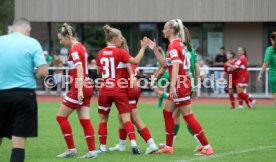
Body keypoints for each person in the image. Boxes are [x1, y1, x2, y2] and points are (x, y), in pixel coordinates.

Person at [148, 19, 214, 155]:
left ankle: (207, 146)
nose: (163, 30)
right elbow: (165, 65)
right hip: (182, 83)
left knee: (188, 116)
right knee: (167, 112)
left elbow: (176, 66)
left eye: (165, 28)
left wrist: (172, 86)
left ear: (172, 30)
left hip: (180, 84)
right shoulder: (176, 45)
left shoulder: (174, 45)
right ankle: (168, 146)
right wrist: (155, 49)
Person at [0, 18, 48, 162]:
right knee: (19, 137)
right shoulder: (32, 42)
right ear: (28, 30)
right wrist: (34, 75)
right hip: (24, 94)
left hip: (1, 93)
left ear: (13, 28)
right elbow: (43, 72)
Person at [96, 25, 147, 155]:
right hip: (118, 89)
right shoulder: (120, 52)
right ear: (114, 38)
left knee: (103, 120)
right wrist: (143, 48)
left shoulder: (100, 53)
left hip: (105, 90)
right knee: (126, 118)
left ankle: (102, 147)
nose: (121, 40)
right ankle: (134, 144)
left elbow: (98, 72)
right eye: (120, 37)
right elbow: (135, 61)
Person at [109, 37, 158, 154]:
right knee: (121, 116)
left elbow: (128, 69)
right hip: (133, 89)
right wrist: (143, 48)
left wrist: (130, 77)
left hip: (129, 89)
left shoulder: (121, 56)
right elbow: (135, 63)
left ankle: (152, 144)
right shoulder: (129, 57)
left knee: (134, 119)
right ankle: (121, 145)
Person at [55, 23, 97, 159]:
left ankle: (71, 149)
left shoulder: (73, 48)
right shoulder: (81, 46)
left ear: (67, 36)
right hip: (88, 86)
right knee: (85, 120)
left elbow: (79, 69)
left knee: (60, 117)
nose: (61, 42)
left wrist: (79, 90)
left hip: (80, 87)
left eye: (61, 39)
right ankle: (92, 152)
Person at [159, 26, 202, 151]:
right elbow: (197, 68)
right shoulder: (189, 49)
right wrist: (196, 86)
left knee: (185, 115)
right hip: (188, 83)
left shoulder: (177, 47)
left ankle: (201, 143)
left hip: (181, 84)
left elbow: (167, 65)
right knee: (176, 115)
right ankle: (169, 144)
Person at [258, 32, 276, 107]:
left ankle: (249, 101)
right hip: (232, 77)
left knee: (237, 91)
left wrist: (260, 74)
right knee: (231, 90)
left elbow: (266, 63)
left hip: (273, 74)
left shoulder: (269, 49)